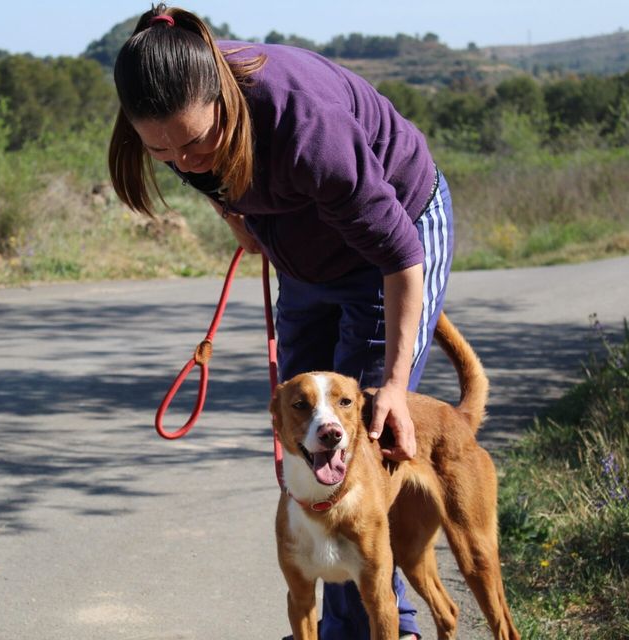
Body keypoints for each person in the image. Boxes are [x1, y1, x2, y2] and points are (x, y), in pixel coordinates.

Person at [108, 5, 454, 639]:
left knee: (360, 430)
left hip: (393, 234)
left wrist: (398, 386)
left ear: (220, 98)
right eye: (162, 151)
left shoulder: (305, 128)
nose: (183, 162)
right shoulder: (171, 115)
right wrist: (244, 218)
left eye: (194, 143)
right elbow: (213, 181)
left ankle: (379, 629)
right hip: (303, 248)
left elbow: (401, 255)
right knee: (308, 419)